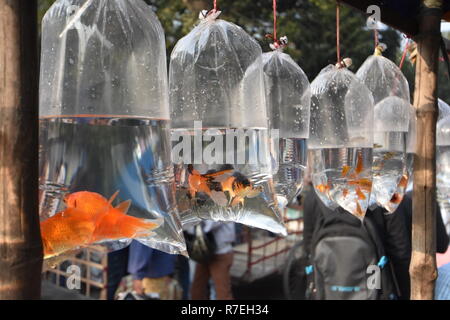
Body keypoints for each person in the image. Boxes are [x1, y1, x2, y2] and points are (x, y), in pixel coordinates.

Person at [190, 221, 236, 300]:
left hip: (221, 251)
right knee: (197, 289)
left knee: (222, 293)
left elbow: (211, 224)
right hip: (203, 251)